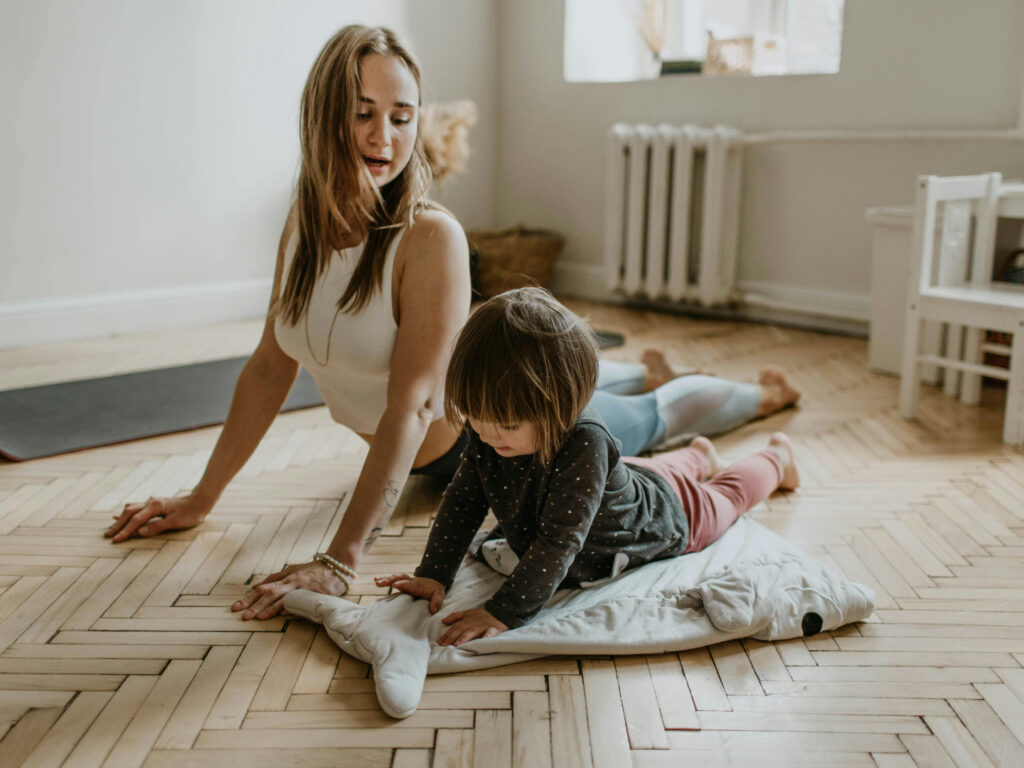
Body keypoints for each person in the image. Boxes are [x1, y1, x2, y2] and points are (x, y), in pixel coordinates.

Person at [104, 25, 799, 621]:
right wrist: (203, 496)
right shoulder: (303, 225)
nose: (385, 136)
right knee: (618, 394)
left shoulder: (427, 236)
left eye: (402, 116)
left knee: (649, 416)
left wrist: (339, 561)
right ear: (322, 116)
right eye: (363, 113)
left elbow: (412, 406)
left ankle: (760, 400)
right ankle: (642, 382)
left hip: (509, 437)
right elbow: (267, 368)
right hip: (476, 429)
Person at [375, 288, 799, 644]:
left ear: (561, 405)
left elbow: (559, 542)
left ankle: (777, 458)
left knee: (727, 495)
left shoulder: (585, 442)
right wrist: (434, 573)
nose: (485, 435)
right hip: (629, 479)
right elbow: (464, 500)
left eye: (504, 424)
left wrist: (502, 612)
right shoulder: (491, 430)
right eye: (475, 418)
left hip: (666, 515)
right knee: (650, 472)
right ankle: (700, 454)